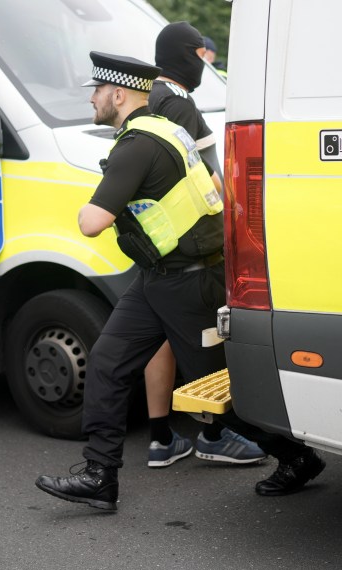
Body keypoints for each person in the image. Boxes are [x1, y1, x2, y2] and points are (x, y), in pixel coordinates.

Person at [34, 52, 325, 511]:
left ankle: (298, 458)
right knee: (108, 360)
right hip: (161, 278)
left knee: (214, 394)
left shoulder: (135, 146)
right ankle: (99, 475)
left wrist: (82, 208)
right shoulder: (171, 130)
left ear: (118, 94)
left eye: (96, 91)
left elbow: (92, 223)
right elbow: (213, 181)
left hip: (188, 286)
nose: (91, 99)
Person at [143, 21, 264, 468]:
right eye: (199, 55)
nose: (203, 63)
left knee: (161, 338)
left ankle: (160, 439)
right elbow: (212, 178)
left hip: (159, 239)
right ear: (184, 56)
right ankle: (215, 432)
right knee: (206, 337)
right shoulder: (180, 107)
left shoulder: (150, 101)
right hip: (194, 243)